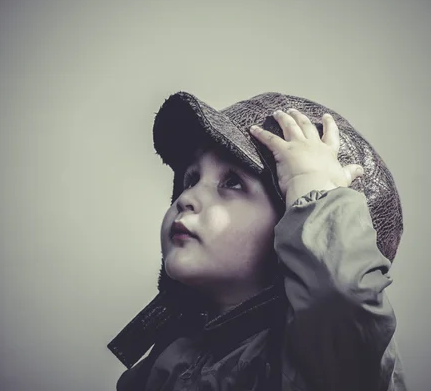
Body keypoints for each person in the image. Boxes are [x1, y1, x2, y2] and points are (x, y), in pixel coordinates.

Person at [108, 91, 407, 390]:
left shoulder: (326, 358)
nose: (187, 198)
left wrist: (313, 188)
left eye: (232, 182)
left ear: (294, 224)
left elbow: (341, 295)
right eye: (191, 179)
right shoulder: (164, 360)